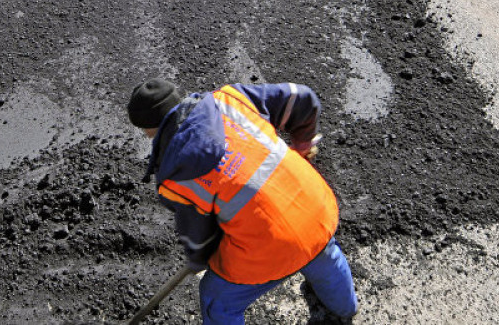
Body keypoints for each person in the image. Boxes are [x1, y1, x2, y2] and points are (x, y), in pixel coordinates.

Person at [127, 79, 358, 325]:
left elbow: (199, 238)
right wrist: (302, 146)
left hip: (271, 249)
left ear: (149, 130)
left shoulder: (175, 176)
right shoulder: (230, 99)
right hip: (316, 206)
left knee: (216, 297)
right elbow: (301, 98)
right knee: (324, 253)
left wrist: (198, 259)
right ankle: (345, 309)